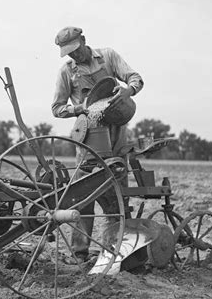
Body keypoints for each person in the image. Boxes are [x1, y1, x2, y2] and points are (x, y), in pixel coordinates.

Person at [51, 26, 144, 263]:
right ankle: (80, 253)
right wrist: (78, 109)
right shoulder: (66, 72)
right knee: (83, 199)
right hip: (88, 141)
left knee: (117, 197)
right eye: (68, 52)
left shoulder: (109, 56)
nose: (73, 55)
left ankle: (115, 251)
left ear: (83, 40)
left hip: (116, 136)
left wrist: (127, 91)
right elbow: (57, 108)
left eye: (75, 49)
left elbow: (136, 78)